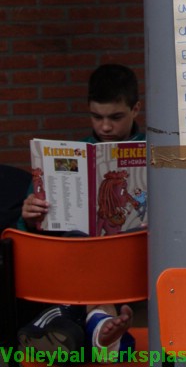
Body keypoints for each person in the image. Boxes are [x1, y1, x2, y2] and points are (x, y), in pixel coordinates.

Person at [17, 63, 144, 357]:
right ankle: (102, 329)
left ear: (136, 109)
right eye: (96, 117)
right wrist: (29, 216)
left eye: (116, 117)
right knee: (75, 238)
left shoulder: (155, 151)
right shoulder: (71, 154)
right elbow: (26, 229)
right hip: (79, 264)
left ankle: (72, 327)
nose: (105, 127)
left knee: (69, 304)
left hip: (135, 266)